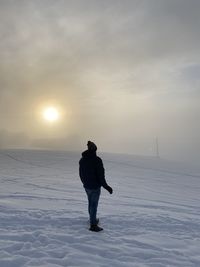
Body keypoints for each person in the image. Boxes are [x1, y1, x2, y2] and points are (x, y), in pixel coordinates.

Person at [79, 141, 113, 232]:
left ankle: (92, 219)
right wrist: (106, 187)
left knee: (90, 203)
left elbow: (81, 174)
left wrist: (85, 183)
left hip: (87, 186)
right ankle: (93, 225)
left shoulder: (82, 160)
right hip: (94, 187)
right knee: (94, 205)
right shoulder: (97, 160)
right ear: (94, 149)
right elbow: (101, 176)